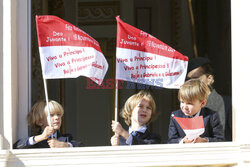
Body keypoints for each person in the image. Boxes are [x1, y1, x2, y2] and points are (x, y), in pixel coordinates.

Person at [186, 57, 232, 141]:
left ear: (209, 79)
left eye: (195, 78)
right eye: (189, 80)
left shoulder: (228, 104)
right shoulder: (185, 107)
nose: (192, 83)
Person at [167, 79, 224, 144]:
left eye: (189, 103)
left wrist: (204, 140)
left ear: (202, 103)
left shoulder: (212, 116)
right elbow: (171, 141)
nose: (185, 107)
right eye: (182, 102)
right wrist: (183, 141)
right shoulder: (175, 116)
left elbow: (220, 140)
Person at [13, 100, 83, 149]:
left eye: (58, 114)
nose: (57, 118)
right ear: (39, 121)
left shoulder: (67, 138)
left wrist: (65, 145)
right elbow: (17, 146)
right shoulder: (35, 141)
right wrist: (41, 137)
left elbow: (81, 146)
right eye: (51, 115)